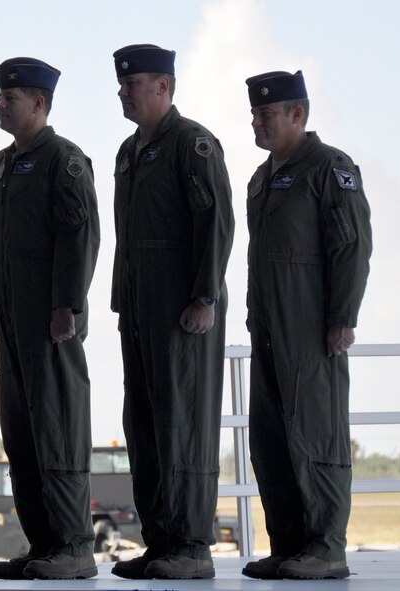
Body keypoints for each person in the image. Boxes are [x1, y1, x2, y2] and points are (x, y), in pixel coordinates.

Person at [109, 44, 234, 580]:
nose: (122, 91)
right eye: (122, 83)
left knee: (183, 422)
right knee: (143, 424)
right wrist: (121, 302)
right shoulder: (129, 151)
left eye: (132, 83)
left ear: (163, 86)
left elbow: (216, 222)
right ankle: (160, 541)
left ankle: (191, 545)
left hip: (183, 310)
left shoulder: (193, 144)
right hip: (138, 310)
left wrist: (204, 296)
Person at [241, 70, 372, 580]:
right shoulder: (261, 177)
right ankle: (290, 545)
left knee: (316, 435)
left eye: (266, 114)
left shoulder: (330, 168)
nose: (256, 122)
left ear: (297, 114)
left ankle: (326, 547)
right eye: (254, 113)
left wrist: (343, 318)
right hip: (269, 329)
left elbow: (351, 247)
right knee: (271, 440)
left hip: (313, 330)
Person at [0, 57, 101, 580]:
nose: (0, 104)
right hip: (12, 324)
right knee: (21, 438)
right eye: (0, 96)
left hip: (51, 323)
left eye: (11, 98)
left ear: (40, 103)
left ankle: (74, 547)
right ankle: (44, 543)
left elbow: (81, 236)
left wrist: (66, 306)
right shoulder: (3, 164)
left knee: (58, 431)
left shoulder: (64, 160)